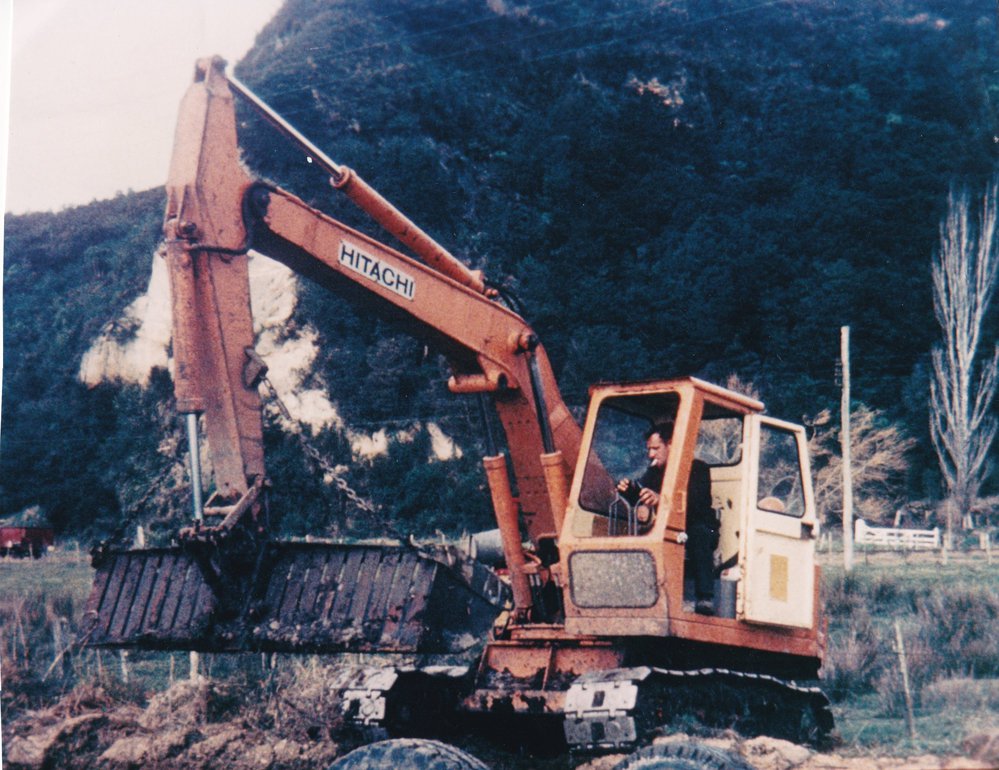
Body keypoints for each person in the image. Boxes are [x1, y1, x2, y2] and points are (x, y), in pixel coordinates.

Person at [617, 422, 718, 615]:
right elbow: (643, 492)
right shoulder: (654, 472)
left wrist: (660, 500)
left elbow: (695, 503)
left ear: (671, 444)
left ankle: (705, 597)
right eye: (649, 450)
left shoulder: (699, 469)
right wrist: (629, 490)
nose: (651, 455)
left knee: (699, 534)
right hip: (667, 529)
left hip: (697, 526)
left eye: (655, 448)